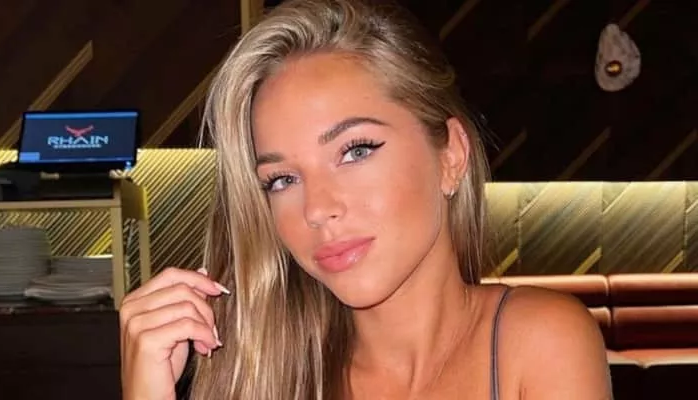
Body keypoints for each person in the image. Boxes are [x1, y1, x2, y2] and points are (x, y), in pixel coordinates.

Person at [119, 0, 612, 399]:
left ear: (451, 156)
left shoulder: (538, 343)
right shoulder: (260, 375)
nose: (317, 209)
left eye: (355, 151)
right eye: (282, 179)